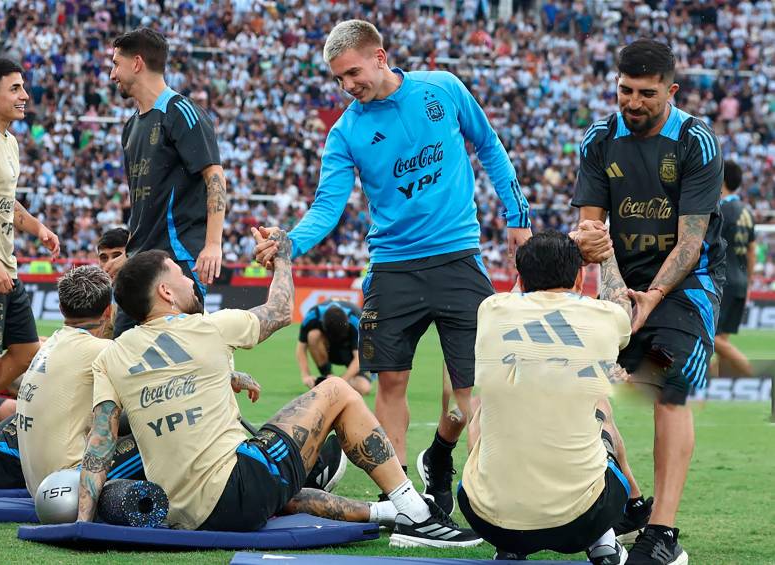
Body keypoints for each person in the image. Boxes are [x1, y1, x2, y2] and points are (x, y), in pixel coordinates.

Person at [255, 19, 532, 514]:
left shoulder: (442, 89)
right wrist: (289, 241)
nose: (348, 86)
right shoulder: (345, 132)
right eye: (339, 79)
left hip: (458, 257)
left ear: (380, 56)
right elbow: (327, 206)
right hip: (392, 267)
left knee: (471, 388)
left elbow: (489, 145)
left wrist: (517, 217)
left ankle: (486, 496)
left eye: (353, 73)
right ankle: (404, 500)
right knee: (392, 382)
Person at [77, 231, 482, 548]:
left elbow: (99, 446)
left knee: (272, 476)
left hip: (184, 512)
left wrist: (81, 525)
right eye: (180, 276)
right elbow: (280, 310)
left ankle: (386, 511)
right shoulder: (207, 327)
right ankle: (417, 514)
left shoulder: (110, 356)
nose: (189, 281)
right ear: (165, 292)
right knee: (337, 390)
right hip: (238, 489)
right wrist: (284, 255)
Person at [572, 39, 725, 565]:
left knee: (668, 383)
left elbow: (690, 242)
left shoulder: (695, 140)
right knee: (576, 382)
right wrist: (616, 291)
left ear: (671, 91)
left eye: (646, 94)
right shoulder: (598, 140)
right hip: (620, 284)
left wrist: (652, 297)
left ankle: (661, 534)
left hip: (685, 289)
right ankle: (630, 501)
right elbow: (591, 232)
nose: (632, 103)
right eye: (624, 91)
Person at [459, 231, 639, 564]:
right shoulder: (606, 317)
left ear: (523, 278)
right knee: (600, 403)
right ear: (580, 276)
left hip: (487, 518)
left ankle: (511, 546)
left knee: (482, 410)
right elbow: (624, 307)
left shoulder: (491, 310)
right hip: (581, 520)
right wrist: (606, 252)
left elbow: (519, 290)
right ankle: (604, 542)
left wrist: (553, 250)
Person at [104, 28, 226, 337]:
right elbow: (144, 202)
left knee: (180, 357)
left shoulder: (180, 112)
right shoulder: (130, 126)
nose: (111, 74)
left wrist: (212, 244)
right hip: (140, 261)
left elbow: (215, 176)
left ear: (137, 63)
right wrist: (129, 254)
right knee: (123, 351)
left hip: (179, 259)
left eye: (116, 63)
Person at [14, 265, 145, 494]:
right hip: (67, 482)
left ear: (61, 308)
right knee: (162, 431)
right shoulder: (104, 350)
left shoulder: (53, 341)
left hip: (38, 484)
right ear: (108, 311)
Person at [0, 58, 60, 418]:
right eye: (14, 88)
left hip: (9, 266)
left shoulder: (9, 142)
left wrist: (37, 228)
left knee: (25, 350)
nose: (24, 95)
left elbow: (5, 200)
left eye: (23, 87)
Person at [713, 161, 755, 377]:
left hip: (724, 281)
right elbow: (752, 250)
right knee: (722, 342)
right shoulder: (746, 211)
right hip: (739, 281)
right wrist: (748, 281)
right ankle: (710, 390)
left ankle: (755, 376)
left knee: (710, 337)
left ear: (721, 180)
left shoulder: (722, 211)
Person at [297, 300, 372, 396]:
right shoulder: (313, 316)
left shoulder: (356, 321)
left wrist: (341, 381)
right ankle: (327, 375)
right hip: (328, 349)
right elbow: (301, 348)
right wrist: (305, 375)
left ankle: (330, 383)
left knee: (363, 387)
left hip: (351, 352)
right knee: (313, 335)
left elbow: (359, 359)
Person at [96, 228, 129, 339]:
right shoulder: (101, 295)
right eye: (104, 258)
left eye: (117, 256)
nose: (110, 263)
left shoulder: (146, 292)